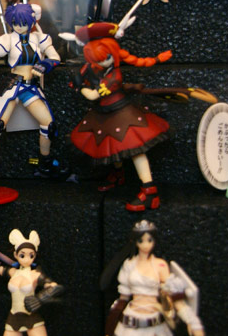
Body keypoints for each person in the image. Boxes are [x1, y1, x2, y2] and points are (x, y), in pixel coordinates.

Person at [0, 3, 66, 200]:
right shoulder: (7, 40)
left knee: (49, 125)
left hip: (30, 88)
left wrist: (45, 64)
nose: (19, 26)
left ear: (31, 21)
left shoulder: (39, 38)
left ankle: (45, 164)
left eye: (23, 22)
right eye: (15, 23)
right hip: (13, 86)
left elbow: (55, 57)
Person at [69, 22, 171, 211]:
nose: (100, 63)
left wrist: (80, 86)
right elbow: (86, 75)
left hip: (121, 112)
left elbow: (92, 95)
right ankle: (118, 175)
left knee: (134, 148)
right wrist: (80, 77)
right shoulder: (96, 67)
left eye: (104, 58)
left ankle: (149, 190)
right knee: (112, 145)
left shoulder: (114, 76)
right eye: (96, 59)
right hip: (104, 113)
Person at [100, 220, 204, 336]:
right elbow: (123, 299)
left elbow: (172, 296)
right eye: (141, 241)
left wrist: (192, 322)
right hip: (131, 322)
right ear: (135, 241)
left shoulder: (160, 265)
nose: (146, 245)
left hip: (155, 323)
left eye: (149, 240)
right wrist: (111, 322)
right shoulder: (129, 265)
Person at [0, 229, 63, 335]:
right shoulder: (13, 272)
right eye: (22, 255)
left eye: (31, 255)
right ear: (15, 255)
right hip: (14, 318)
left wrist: (40, 298)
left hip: (31, 317)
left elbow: (55, 287)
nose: (27, 259)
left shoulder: (35, 274)